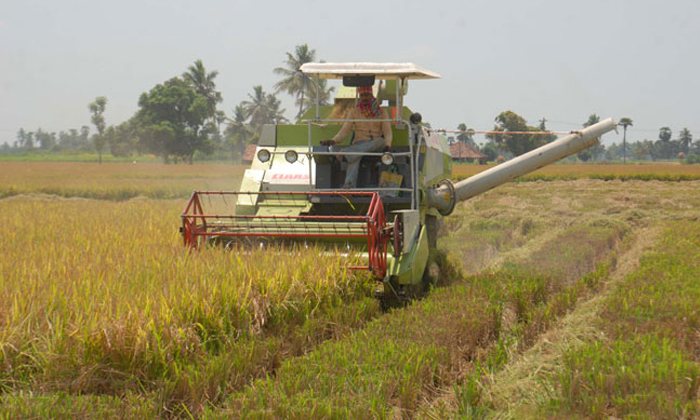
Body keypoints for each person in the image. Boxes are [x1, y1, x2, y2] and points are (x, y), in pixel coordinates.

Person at [320, 86, 392, 188]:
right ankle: (349, 187)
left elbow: (387, 132)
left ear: (371, 95)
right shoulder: (354, 112)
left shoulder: (382, 112)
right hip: (359, 144)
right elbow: (344, 131)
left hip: (376, 144)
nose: (364, 98)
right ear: (359, 97)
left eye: (366, 95)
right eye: (362, 95)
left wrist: (388, 145)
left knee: (381, 141)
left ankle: (346, 152)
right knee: (355, 155)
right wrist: (333, 141)